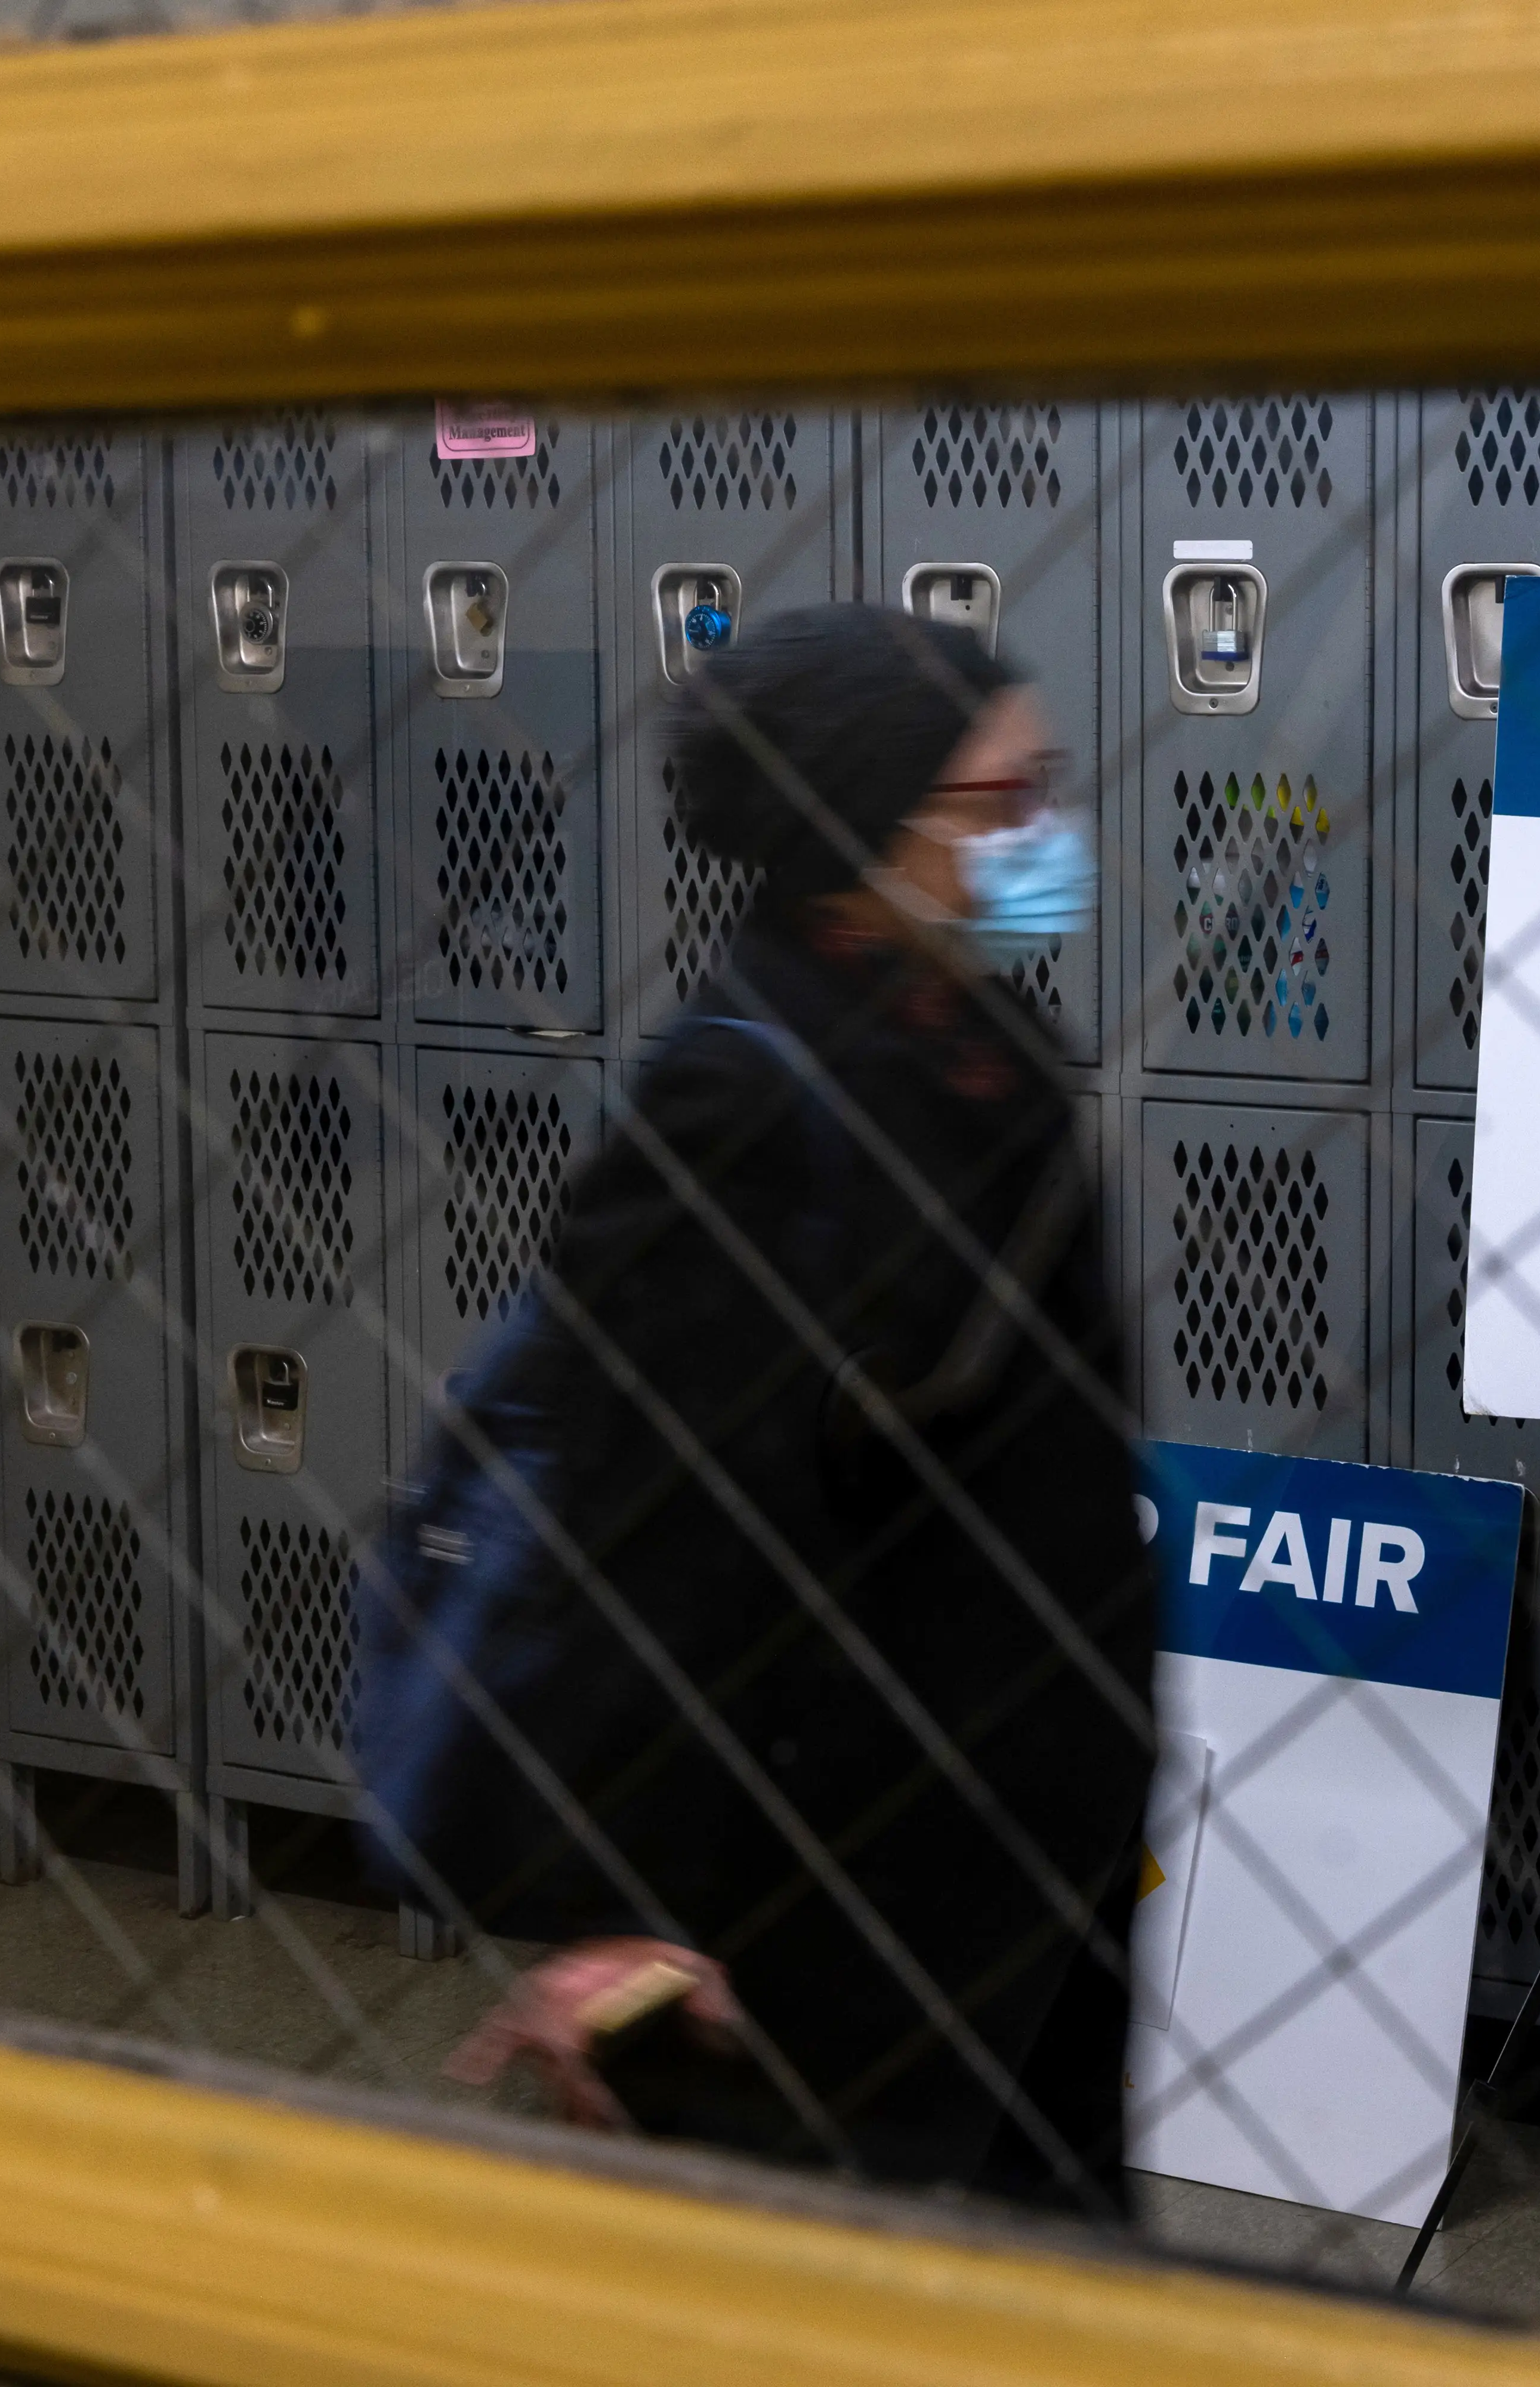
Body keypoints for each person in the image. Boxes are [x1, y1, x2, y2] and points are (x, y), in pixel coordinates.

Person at [360, 603, 1152, 2220]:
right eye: (1001, 806)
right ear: (858, 832)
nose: (1042, 838)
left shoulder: (995, 1047)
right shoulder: (737, 1106)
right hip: (814, 1875)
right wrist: (614, 1906)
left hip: (1031, 1829)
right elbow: (641, 1525)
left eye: (1045, 789)